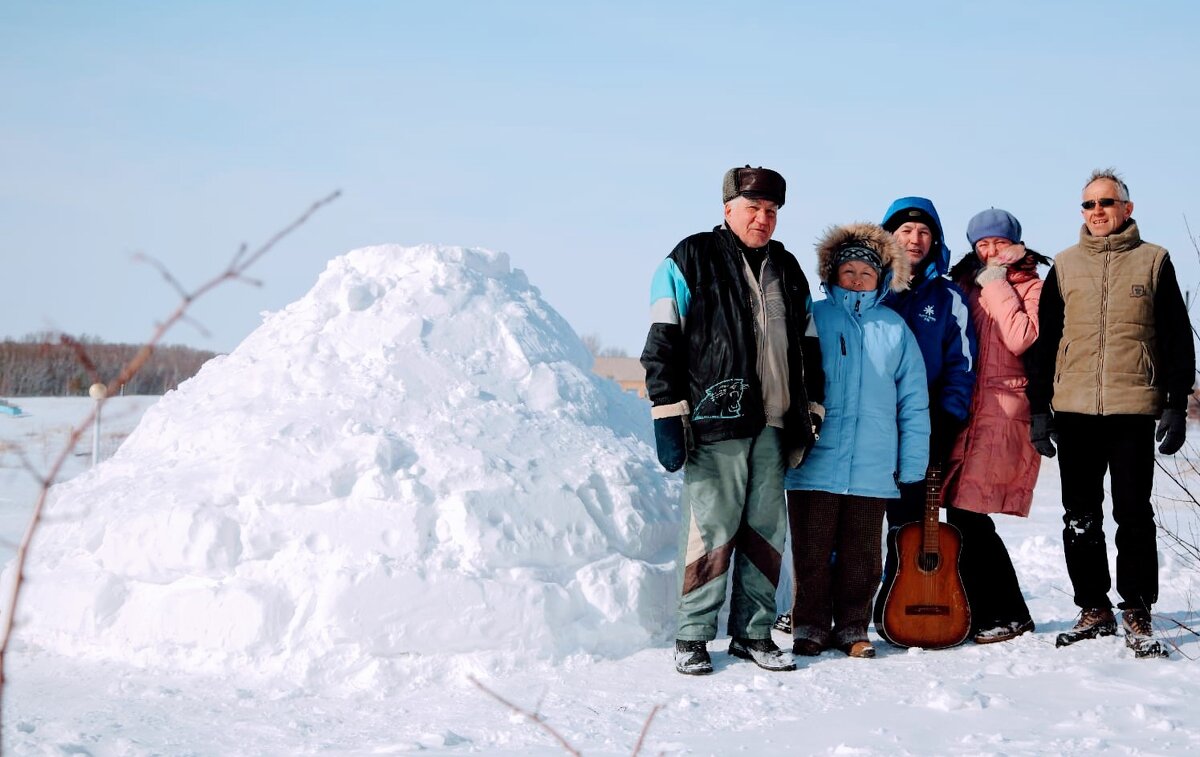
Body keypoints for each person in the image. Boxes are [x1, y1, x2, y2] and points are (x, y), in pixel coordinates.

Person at [641, 165, 825, 675]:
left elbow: (808, 345)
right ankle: (694, 634)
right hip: (715, 420)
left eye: (771, 211)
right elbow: (662, 342)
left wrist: (812, 406)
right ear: (728, 209)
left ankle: (753, 633)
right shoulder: (689, 258)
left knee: (766, 530)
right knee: (712, 527)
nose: (762, 219)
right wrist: (667, 409)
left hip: (774, 421)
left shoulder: (787, 267)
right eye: (752, 209)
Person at [1027, 168, 1194, 657]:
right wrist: (1040, 409)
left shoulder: (1154, 261)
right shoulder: (1063, 265)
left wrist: (1175, 403)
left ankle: (1137, 610)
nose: (1096, 212)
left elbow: (1175, 339)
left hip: (1131, 408)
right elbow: (1045, 343)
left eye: (1106, 202)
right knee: (1079, 515)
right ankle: (1094, 608)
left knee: (1133, 514)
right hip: (1074, 408)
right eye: (1088, 205)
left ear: (1127, 208)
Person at [785, 222, 929, 659]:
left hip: (872, 465)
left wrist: (912, 463)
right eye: (847, 272)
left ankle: (852, 628)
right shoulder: (813, 316)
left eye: (866, 273)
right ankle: (809, 626)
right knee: (810, 553)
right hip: (816, 461)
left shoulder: (895, 329)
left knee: (862, 557)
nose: (856, 280)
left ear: (882, 279)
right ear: (831, 275)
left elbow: (913, 401)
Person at [943, 208, 1050, 643]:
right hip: (968, 410)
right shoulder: (964, 288)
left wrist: (999, 284)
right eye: (982, 244)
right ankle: (982, 608)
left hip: (1004, 411)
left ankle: (1008, 612)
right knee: (960, 512)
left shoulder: (1033, 286)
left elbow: (1023, 336)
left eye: (998, 243)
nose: (990, 251)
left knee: (970, 514)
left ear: (1016, 244)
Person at [873, 197, 976, 627]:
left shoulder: (948, 296)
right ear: (889, 236)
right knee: (855, 522)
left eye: (924, 232)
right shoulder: (867, 284)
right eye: (906, 231)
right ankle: (837, 609)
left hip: (924, 425)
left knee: (910, 524)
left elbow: (962, 362)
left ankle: (898, 602)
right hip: (871, 424)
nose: (915, 239)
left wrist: (950, 414)